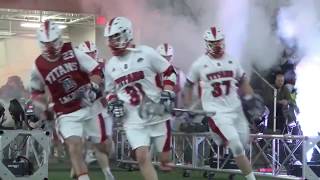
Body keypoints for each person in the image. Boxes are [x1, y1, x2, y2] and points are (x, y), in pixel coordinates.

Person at [29, 20, 108, 180]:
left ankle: (90, 152)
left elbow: (96, 69)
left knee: (104, 147)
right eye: (46, 44)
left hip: (88, 106)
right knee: (74, 146)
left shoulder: (73, 52)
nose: (50, 48)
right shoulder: (38, 65)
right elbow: (35, 92)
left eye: (53, 42)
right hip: (65, 112)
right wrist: (43, 107)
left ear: (60, 39)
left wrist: (93, 86)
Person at [103, 17, 177, 180]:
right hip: (132, 119)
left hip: (156, 114)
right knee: (142, 157)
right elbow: (109, 91)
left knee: (165, 161)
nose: (112, 42)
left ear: (126, 33)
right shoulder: (110, 65)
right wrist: (113, 101)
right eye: (109, 38)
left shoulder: (146, 52)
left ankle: (165, 159)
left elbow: (169, 71)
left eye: (115, 36)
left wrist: (168, 91)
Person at [184, 26, 256, 180]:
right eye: (213, 43)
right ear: (207, 44)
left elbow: (243, 80)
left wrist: (250, 97)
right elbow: (189, 84)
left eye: (219, 42)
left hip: (235, 110)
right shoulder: (200, 64)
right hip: (217, 111)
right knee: (236, 145)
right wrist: (188, 105)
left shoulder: (232, 60)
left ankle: (219, 139)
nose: (217, 45)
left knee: (243, 144)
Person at [77, 41, 115, 180]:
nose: (90, 55)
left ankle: (92, 153)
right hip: (82, 110)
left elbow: (111, 85)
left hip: (101, 108)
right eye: (87, 53)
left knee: (107, 145)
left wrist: (109, 97)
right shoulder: (76, 68)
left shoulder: (103, 66)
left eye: (92, 52)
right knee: (79, 144)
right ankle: (104, 172)